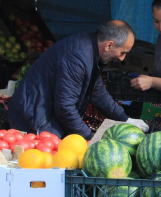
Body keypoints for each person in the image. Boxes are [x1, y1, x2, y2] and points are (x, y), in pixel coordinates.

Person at [8, 20, 149, 140]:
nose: (122, 58)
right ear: (109, 45)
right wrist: (90, 138)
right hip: (34, 117)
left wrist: (125, 119)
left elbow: (97, 92)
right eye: (122, 52)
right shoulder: (78, 57)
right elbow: (65, 107)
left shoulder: (90, 52)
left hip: (43, 114)